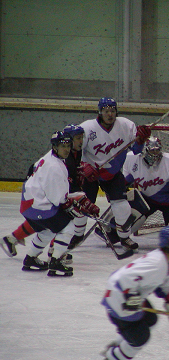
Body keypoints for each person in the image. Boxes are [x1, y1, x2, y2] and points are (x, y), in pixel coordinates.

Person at [100, 224, 169, 360]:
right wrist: (129, 296)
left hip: (124, 294)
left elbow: (164, 288)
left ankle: (119, 345)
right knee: (139, 338)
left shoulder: (164, 261)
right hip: (118, 298)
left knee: (149, 318)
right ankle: (111, 357)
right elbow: (123, 278)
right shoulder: (157, 263)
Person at [1, 124, 88, 262]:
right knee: (63, 221)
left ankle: (17, 243)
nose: (81, 141)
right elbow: (60, 198)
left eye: (81, 137)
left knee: (45, 225)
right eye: (77, 138)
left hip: (33, 199)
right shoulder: (62, 162)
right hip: (37, 200)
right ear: (57, 146)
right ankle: (55, 253)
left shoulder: (64, 155)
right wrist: (77, 199)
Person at [19, 131, 99, 276]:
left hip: (27, 205)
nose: (67, 149)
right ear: (55, 147)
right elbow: (59, 200)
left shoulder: (49, 157)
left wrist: (76, 200)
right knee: (67, 228)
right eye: (63, 146)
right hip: (39, 206)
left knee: (47, 230)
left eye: (68, 145)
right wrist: (76, 206)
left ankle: (30, 258)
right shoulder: (55, 167)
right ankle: (56, 262)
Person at [80, 97, 151, 252]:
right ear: (99, 112)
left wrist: (140, 141)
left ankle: (124, 237)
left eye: (112, 110)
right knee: (82, 208)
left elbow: (137, 151)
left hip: (112, 174)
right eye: (106, 111)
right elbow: (75, 151)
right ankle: (75, 236)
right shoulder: (87, 128)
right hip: (89, 175)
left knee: (122, 207)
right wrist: (83, 166)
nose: (110, 114)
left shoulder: (126, 125)